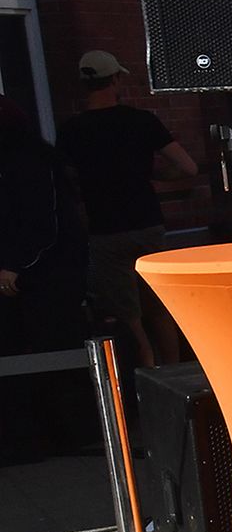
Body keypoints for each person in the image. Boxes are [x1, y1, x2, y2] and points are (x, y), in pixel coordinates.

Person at [57, 50, 198, 367]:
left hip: (105, 229)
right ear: (116, 79)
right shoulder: (142, 121)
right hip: (147, 221)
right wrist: (155, 175)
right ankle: (172, 373)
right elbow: (187, 168)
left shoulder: (71, 130)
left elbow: (68, 181)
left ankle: (146, 375)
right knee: (158, 305)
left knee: (127, 314)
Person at [0, 96, 91, 462]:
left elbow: (44, 222)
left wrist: (17, 265)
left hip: (43, 275)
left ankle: (58, 432)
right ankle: (35, 433)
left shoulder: (30, 162)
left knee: (48, 350)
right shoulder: (30, 159)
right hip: (28, 271)